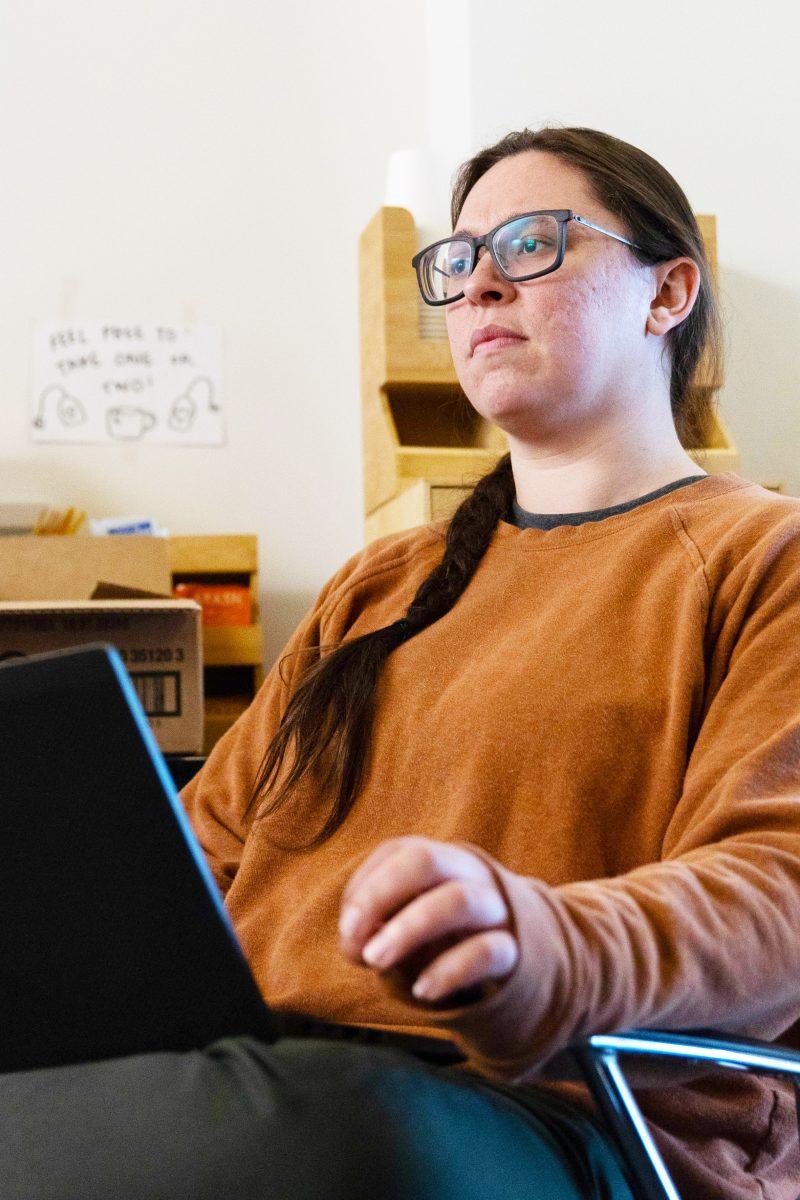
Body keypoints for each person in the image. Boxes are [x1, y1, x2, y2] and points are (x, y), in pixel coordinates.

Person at [3, 125, 800, 1200]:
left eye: (527, 243)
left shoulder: (764, 558)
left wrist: (546, 950)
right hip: (262, 1072)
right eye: (458, 258)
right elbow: (202, 855)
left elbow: (776, 894)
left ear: (666, 294)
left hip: (564, 1118)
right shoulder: (379, 586)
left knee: (323, 1136)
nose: (475, 284)